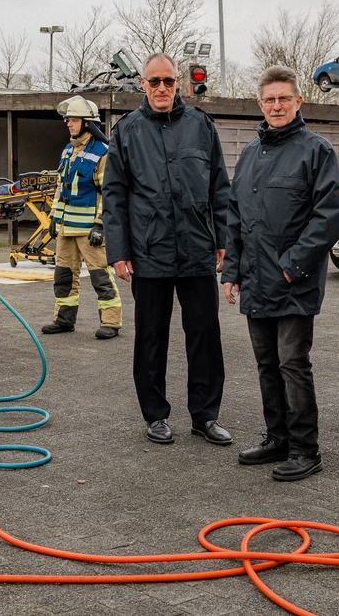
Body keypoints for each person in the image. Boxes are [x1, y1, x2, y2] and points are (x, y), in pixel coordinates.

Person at [221, 65, 339, 482]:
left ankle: (305, 448)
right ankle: (276, 437)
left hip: (294, 281)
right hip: (256, 280)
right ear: (260, 104)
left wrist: (293, 267)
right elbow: (236, 218)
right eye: (269, 99)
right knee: (266, 363)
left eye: (283, 98)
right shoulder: (250, 155)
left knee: (293, 363)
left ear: (298, 102)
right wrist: (232, 272)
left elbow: (330, 217)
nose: (276, 105)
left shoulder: (317, 151)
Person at [103, 52, 233, 447]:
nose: (162, 88)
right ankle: (156, 415)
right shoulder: (127, 132)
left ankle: (205, 416)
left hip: (196, 249)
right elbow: (115, 195)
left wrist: (224, 240)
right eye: (154, 81)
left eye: (169, 81)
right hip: (149, 253)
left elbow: (220, 189)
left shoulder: (200, 126)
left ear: (180, 83)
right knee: (150, 339)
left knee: (205, 337)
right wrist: (119, 251)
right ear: (142, 84)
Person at [41, 95, 123, 339]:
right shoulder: (68, 150)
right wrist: (54, 217)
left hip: (89, 230)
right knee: (64, 276)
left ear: (88, 123)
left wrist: (100, 224)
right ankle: (64, 320)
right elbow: (60, 185)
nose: (69, 124)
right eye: (68, 120)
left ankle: (111, 322)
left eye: (74, 120)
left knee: (100, 276)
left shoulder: (102, 153)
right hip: (66, 228)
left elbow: (108, 193)